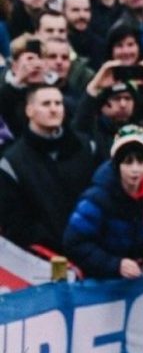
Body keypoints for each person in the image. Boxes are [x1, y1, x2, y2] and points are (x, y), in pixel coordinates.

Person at [63, 125, 143, 282]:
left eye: (141, 162)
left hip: (136, 279)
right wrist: (114, 264)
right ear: (116, 165)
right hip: (101, 285)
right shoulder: (96, 199)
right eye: (128, 162)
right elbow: (74, 243)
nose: (135, 169)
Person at [0, 84, 99, 252]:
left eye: (58, 103)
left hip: (94, 247)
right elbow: (17, 223)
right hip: (46, 258)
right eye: (46, 104)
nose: (54, 109)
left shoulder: (87, 146)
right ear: (29, 110)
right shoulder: (11, 162)